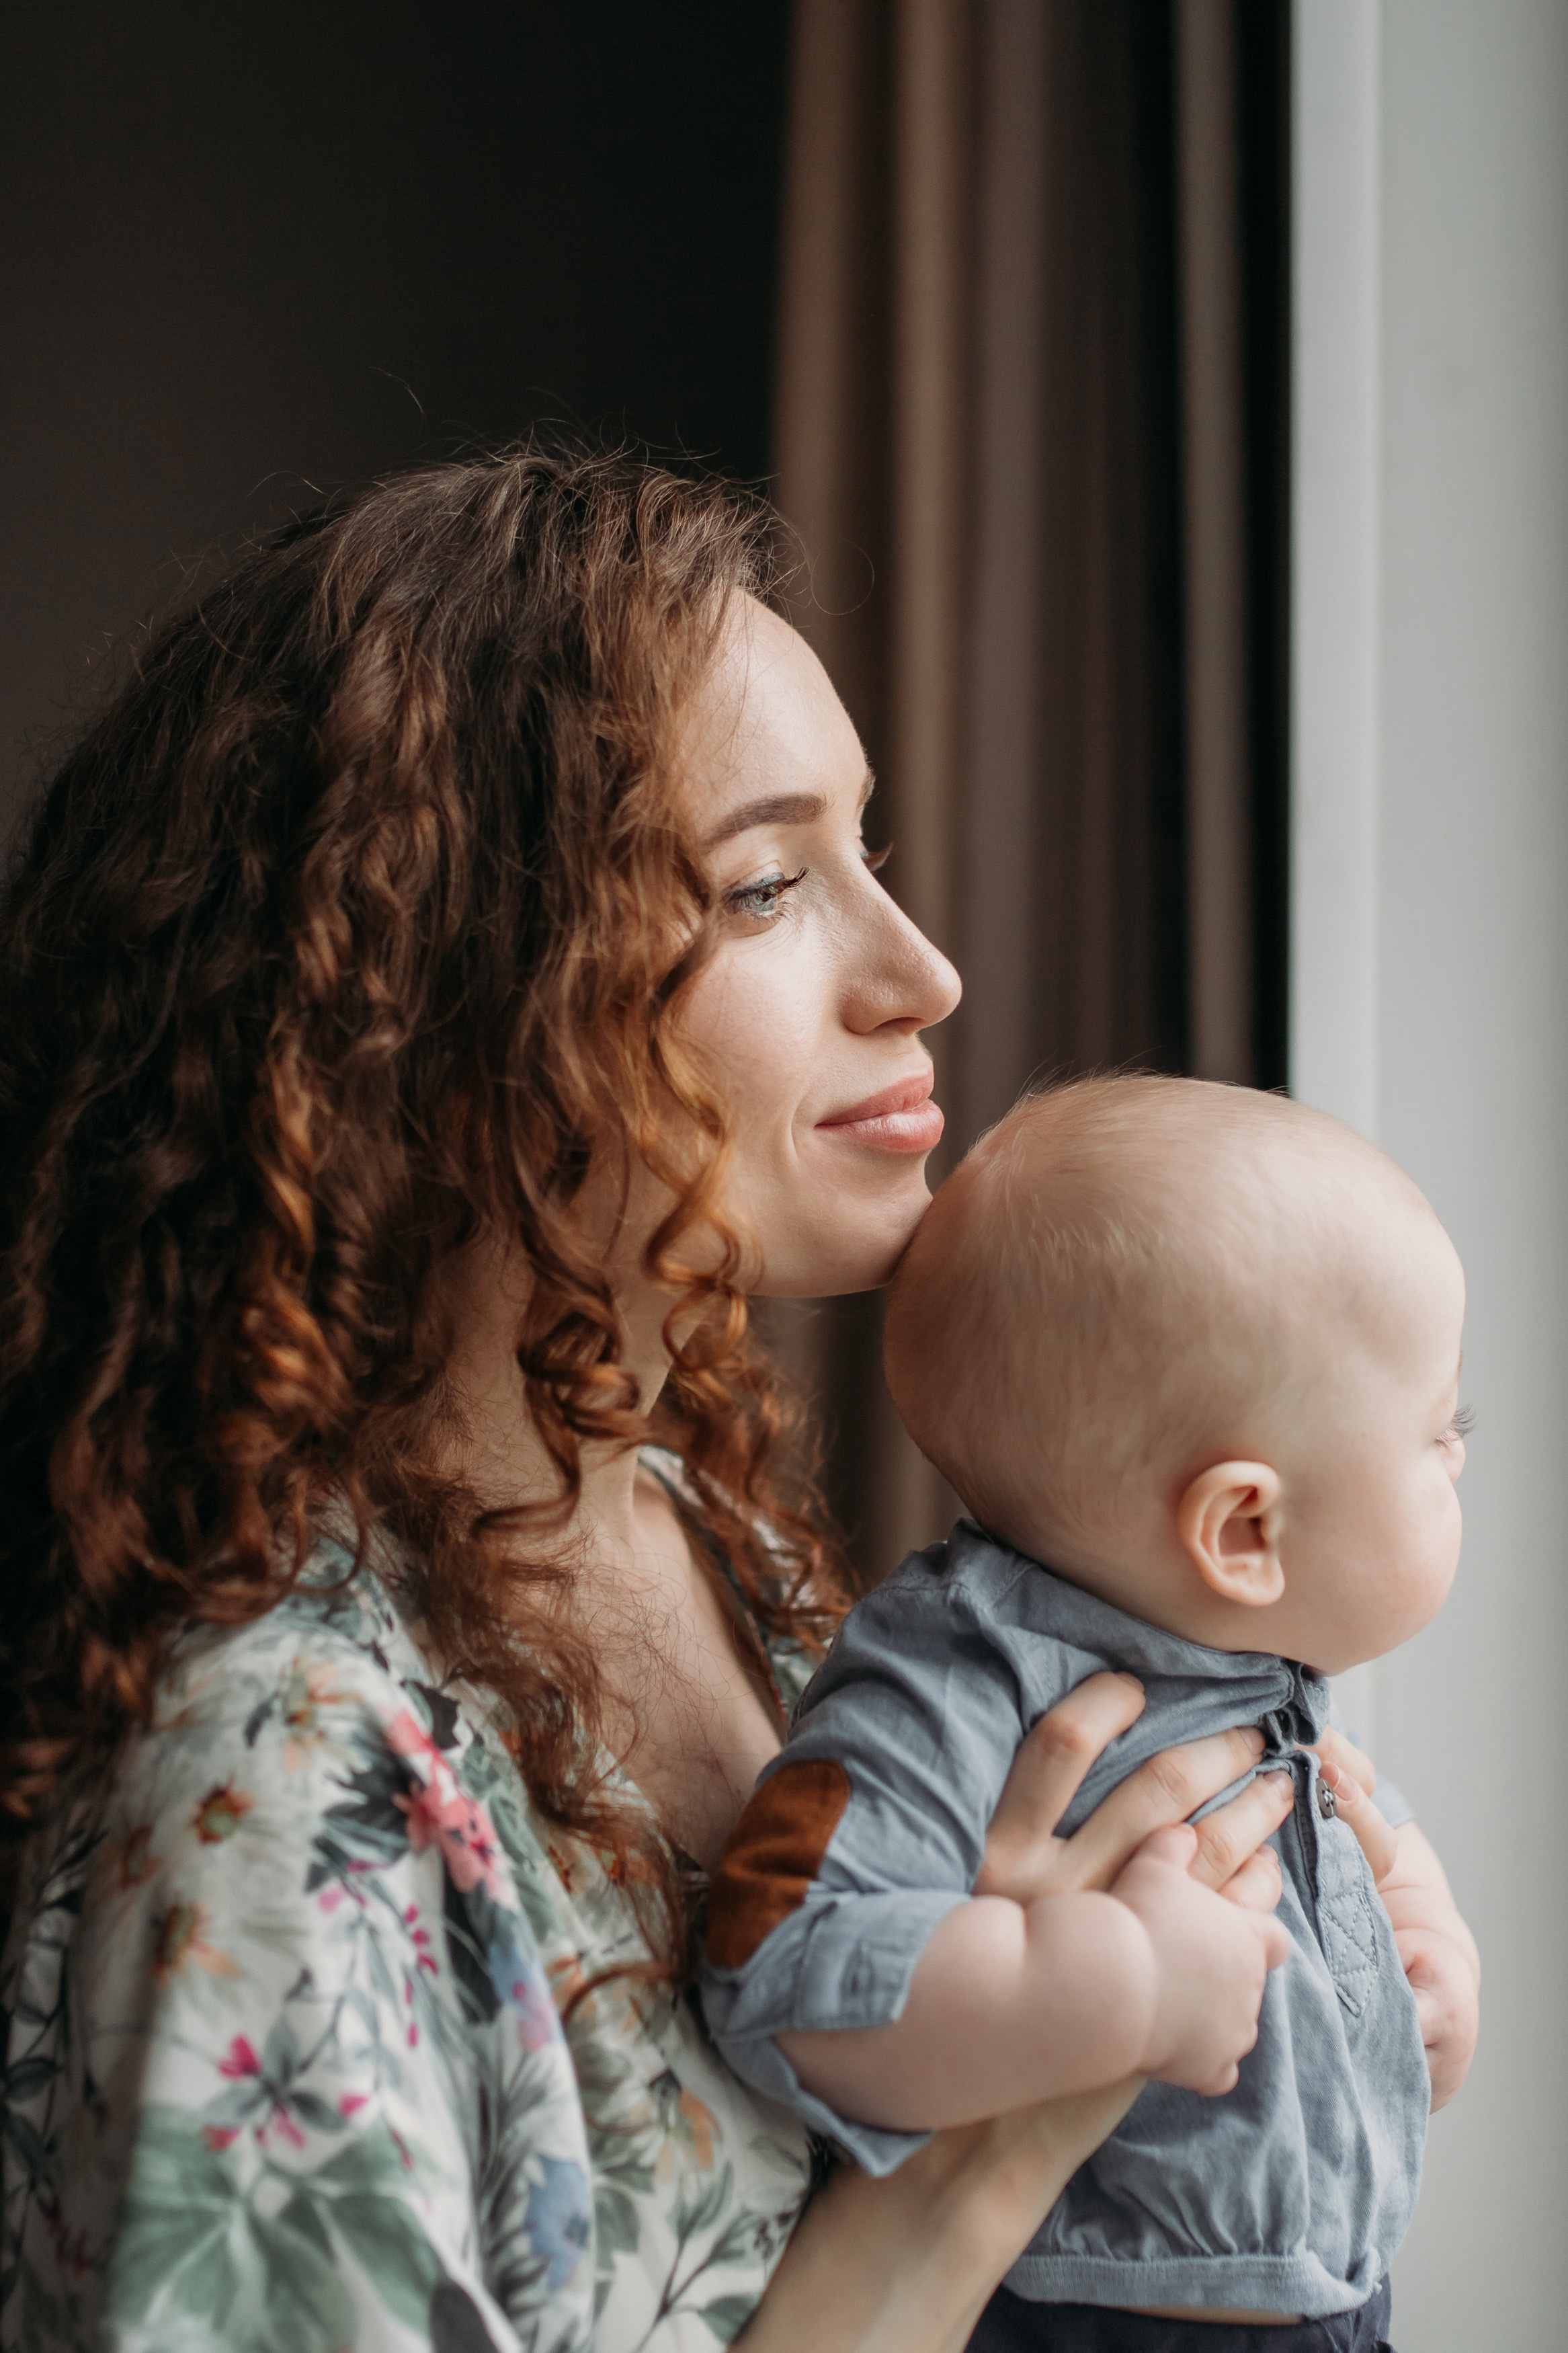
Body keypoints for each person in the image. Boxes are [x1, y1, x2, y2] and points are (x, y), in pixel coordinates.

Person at [0, 448, 1305, 2353]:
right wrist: (995, 2147)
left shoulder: (717, 1538)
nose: (922, 974)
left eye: (871, 855)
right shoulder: (284, 1800)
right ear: (431, 1000)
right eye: (766, 884)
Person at [702, 1078, 1482, 2351]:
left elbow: (1339, 1919)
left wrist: (1415, 1979)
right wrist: (1106, 1986)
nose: (1456, 1459)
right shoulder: (962, 1679)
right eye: (1437, 1432)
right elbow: (783, 1965)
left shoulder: (1254, 1684)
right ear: (1241, 1529)